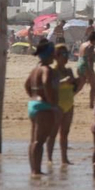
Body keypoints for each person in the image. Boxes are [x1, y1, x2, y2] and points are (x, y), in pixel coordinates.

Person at [24, 42, 59, 176]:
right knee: (40, 140)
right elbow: (46, 82)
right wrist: (51, 102)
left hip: (33, 105)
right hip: (43, 106)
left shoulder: (35, 69)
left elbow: (27, 85)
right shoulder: (46, 69)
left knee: (34, 140)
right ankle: (36, 171)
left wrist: (34, 96)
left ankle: (33, 169)